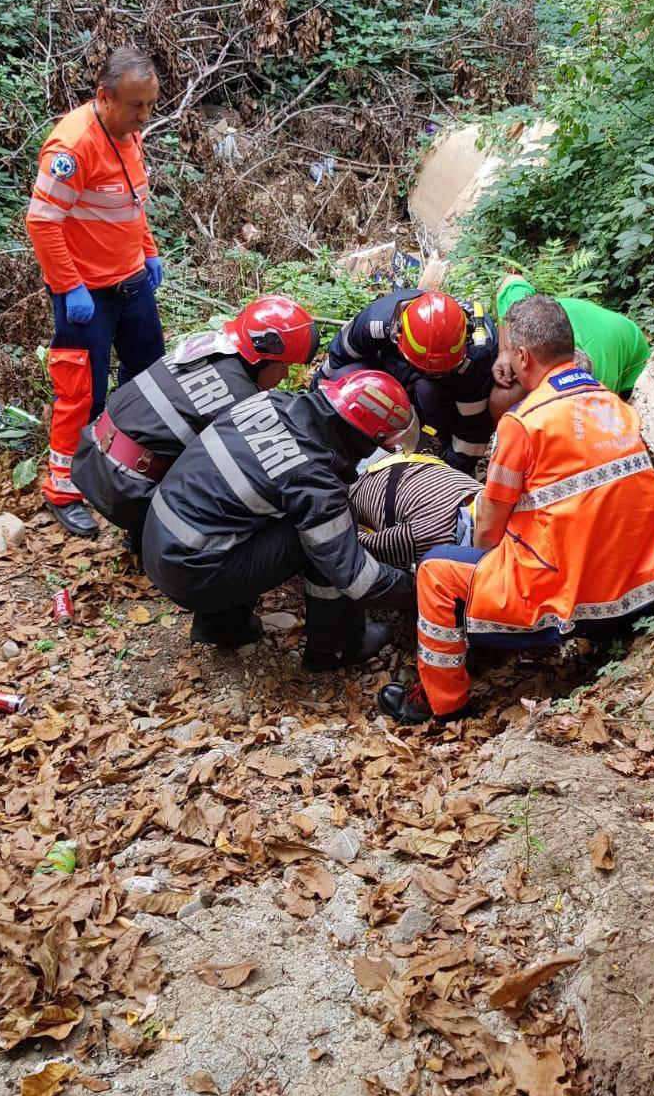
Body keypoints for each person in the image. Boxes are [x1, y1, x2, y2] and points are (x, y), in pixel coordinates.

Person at [378, 295, 654, 724]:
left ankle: (442, 702)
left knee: (436, 571)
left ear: (523, 356)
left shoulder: (524, 424)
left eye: (508, 352)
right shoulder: (613, 404)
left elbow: (488, 532)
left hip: (581, 598)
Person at [142, 369, 417, 665]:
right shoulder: (313, 479)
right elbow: (354, 575)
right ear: (364, 439)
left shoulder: (272, 401)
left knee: (255, 509)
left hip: (159, 538)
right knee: (325, 536)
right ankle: (338, 645)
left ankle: (223, 623)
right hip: (193, 573)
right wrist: (415, 588)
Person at [26, 47, 165, 538]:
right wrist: (71, 288)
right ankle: (63, 487)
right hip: (87, 293)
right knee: (81, 391)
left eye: (150, 104)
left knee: (148, 376)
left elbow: (132, 201)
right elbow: (43, 223)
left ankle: (123, 461)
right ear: (104, 98)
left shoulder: (128, 134)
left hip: (130, 281)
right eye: (136, 106)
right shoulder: (72, 146)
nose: (145, 116)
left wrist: (147, 251)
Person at [70, 296, 319, 550]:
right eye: (285, 365)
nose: (286, 375)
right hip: (125, 490)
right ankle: (155, 537)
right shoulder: (239, 400)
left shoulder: (205, 346)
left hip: (92, 453)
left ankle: (140, 529)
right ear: (264, 357)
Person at [320, 290, 498, 473]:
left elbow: (473, 431)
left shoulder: (477, 357)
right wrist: (317, 406)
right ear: (398, 336)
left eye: (437, 372)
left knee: (428, 391)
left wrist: (450, 473)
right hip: (394, 369)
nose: (430, 373)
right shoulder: (378, 322)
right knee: (341, 377)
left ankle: (436, 437)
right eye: (424, 369)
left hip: (442, 396)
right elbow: (338, 358)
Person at [490, 272, 650, 423]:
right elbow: (511, 280)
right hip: (569, 323)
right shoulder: (521, 313)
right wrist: (505, 351)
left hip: (629, 355)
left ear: (523, 357)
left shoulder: (595, 385)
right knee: (504, 397)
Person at [350, 454, 481, 567]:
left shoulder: (481, 491)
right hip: (362, 493)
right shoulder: (436, 535)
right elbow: (367, 546)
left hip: (403, 458)